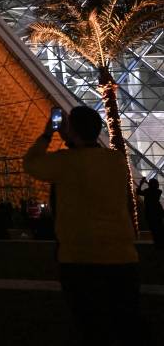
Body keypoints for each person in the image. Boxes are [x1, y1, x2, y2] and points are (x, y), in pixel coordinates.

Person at [23, 106, 146, 344]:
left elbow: (31, 163)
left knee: (92, 326)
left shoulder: (65, 162)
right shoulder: (116, 160)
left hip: (81, 259)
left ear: (70, 130)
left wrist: (49, 134)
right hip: (123, 257)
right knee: (128, 323)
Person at [136, 177, 164, 248]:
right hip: (158, 211)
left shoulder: (147, 191)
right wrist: (147, 183)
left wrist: (141, 183)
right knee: (159, 228)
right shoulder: (158, 191)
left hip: (149, 212)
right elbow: (153, 188)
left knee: (153, 228)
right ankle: (160, 243)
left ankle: (157, 243)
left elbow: (138, 192)